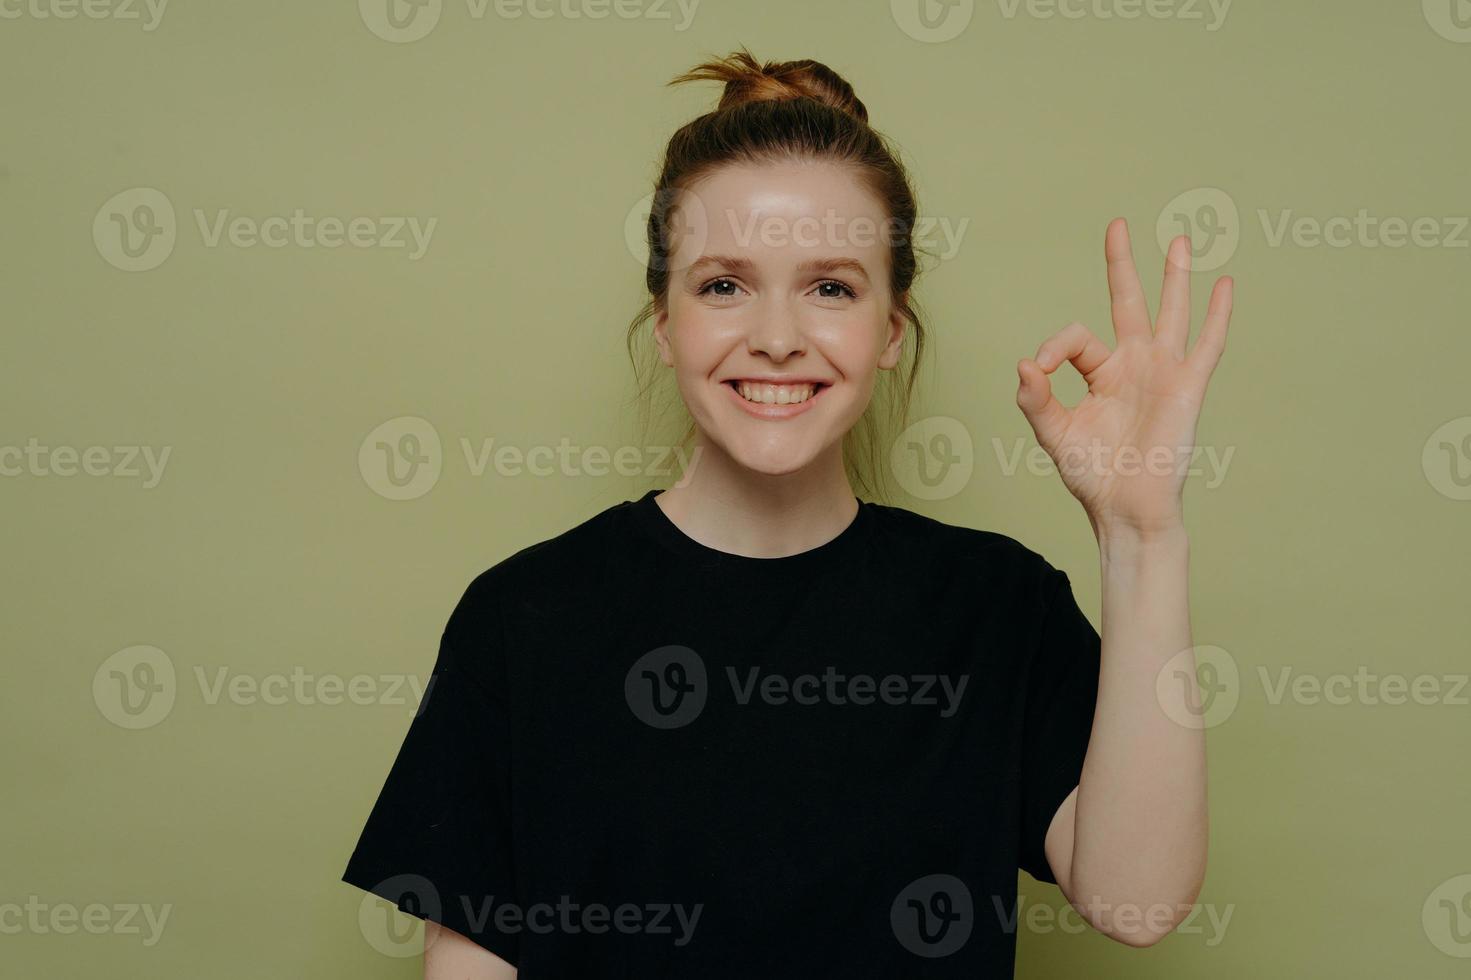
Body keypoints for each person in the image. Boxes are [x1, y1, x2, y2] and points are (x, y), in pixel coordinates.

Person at [340, 46, 1229, 979]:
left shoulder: (994, 606)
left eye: (830, 287)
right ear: (665, 321)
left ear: (890, 329)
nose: (773, 339)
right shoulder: (523, 618)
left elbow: (1138, 902)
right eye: (723, 284)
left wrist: (1140, 534)